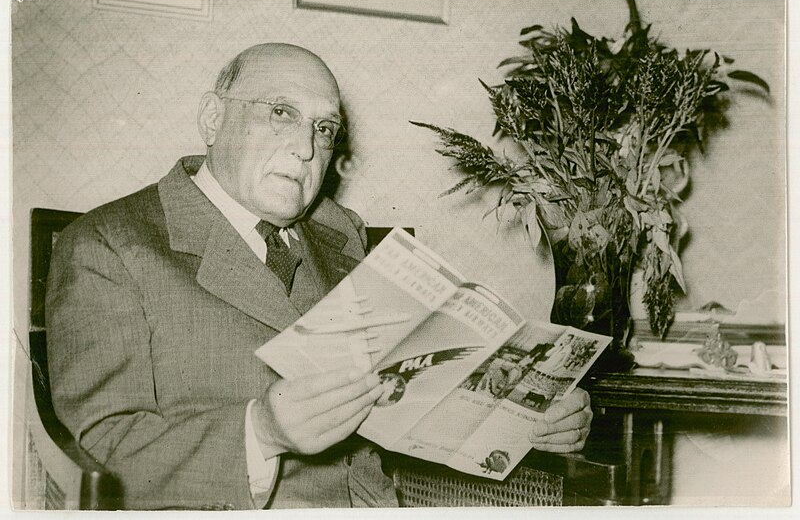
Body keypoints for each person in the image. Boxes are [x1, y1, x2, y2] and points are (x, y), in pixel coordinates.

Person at [45, 43, 594, 510]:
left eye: (324, 128)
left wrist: (524, 417)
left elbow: (410, 405)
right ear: (213, 118)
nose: (307, 148)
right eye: (281, 112)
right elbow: (98, 451)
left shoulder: (340, 235)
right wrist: (261, 432)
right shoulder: (109, 245)